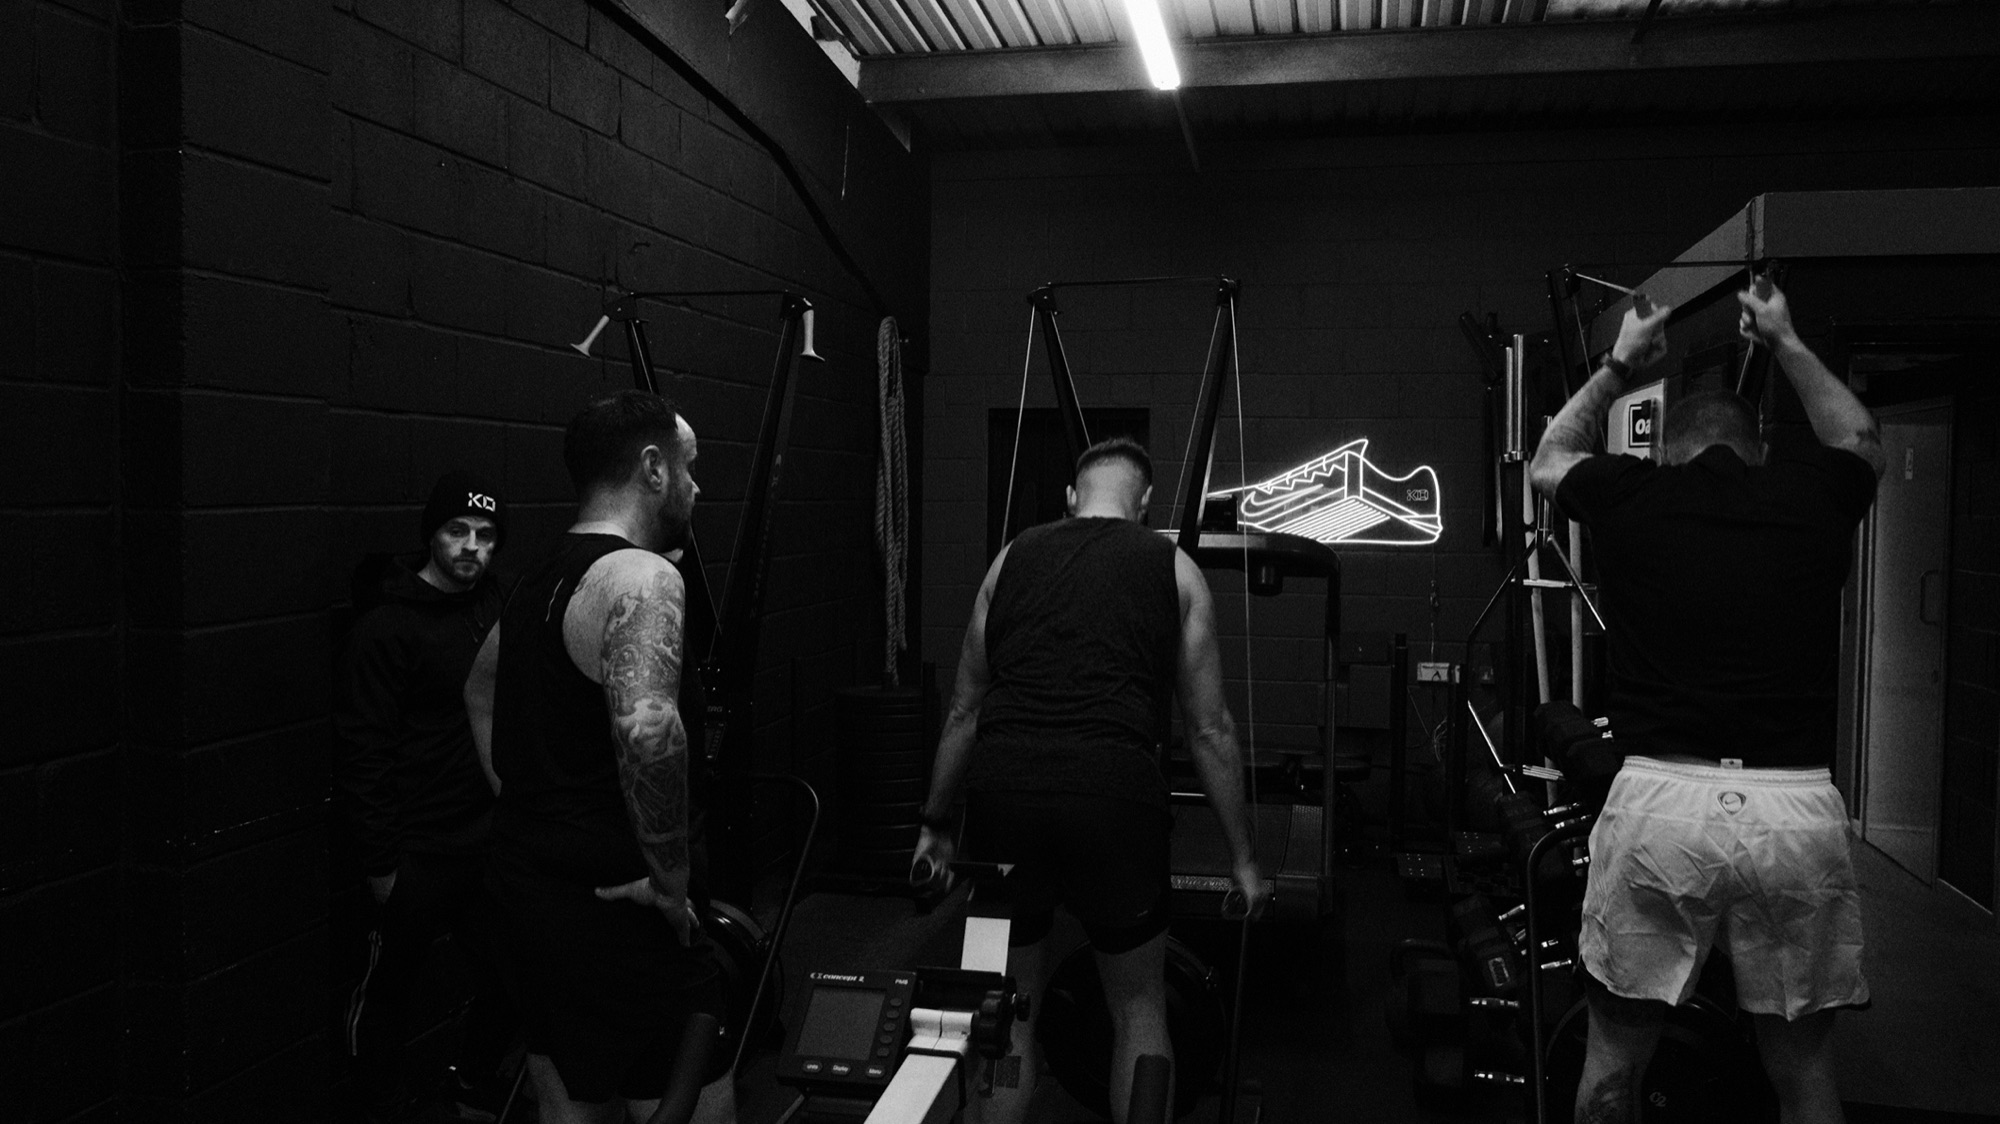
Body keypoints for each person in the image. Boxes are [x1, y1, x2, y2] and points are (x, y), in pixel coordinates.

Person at [1530, 281, 1883, 1124]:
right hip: (1793, 808)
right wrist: (1785, 338)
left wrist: (1621, 363)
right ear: (1756, 452)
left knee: (1614, 1063)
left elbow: (1549, 459)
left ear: (1667, 454)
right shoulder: (1807, 496)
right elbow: (1862, 442)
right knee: (1804, 1072)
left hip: (1663, 801)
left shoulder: (1635, 494)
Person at [912, 436, 1267, 1124]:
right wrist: (1243, 859)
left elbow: (963, 710)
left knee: (1006, 1007)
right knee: (1138, 1006)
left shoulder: (1010, 558)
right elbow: (1209, 729)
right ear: (1145, 503)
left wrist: (934, 824)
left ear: (1072, 496)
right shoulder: (1176, 569)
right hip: (1114, 802)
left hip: (1006, 797)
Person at [464, 390, 733, 1124]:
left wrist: (527, 807)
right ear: (653, 469)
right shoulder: (642, 578)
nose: (696, 487)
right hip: (627, 913)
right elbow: (649, 732)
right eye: (688, 467)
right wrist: (670, 883)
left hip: (530, 903)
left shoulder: (536, 580)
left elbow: (478, 688)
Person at [337, 470, 515, 1122]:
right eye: (457, 531)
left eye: (485, 535)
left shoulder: (496, 608)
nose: (471, 546)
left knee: (513, 971)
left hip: (484, 842)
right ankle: (379, 1108)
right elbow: (364, 750)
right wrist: (383, 865)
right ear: (431, 535)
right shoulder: (386, 627)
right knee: (386, 995)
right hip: (415, 850)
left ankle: (471, 1086)